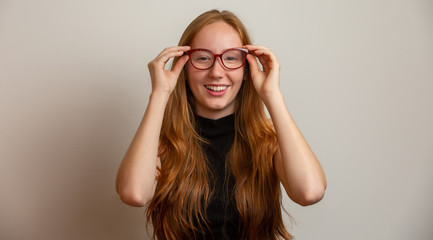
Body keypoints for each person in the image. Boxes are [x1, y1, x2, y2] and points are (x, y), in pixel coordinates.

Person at [116, 9, 326, 240]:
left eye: (231, 58)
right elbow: (134, 194)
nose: (217, 72)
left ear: (247, 69)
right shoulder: (162, 141)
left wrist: (272, 95)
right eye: (203, 58)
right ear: (184, 68)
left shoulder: (270, 138)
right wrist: (159, 93)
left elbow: (310, 192)